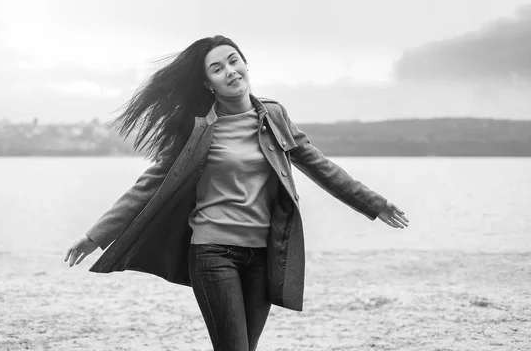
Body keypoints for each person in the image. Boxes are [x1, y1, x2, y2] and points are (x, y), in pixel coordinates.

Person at [64, 35, 408, 351]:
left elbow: (319, 166)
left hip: (263, 256)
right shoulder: (197, 128)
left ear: (245, 63)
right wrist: (96, 236)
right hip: (212, 254)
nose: (230, 71)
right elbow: (149, 184)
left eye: (233, 60)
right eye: (217, 68)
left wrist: (374, 203)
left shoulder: (273, 117)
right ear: (207, 83)